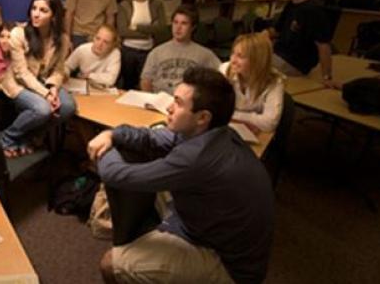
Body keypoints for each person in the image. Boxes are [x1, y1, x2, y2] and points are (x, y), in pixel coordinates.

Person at [88, 67, 275, 284]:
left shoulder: (196, 158)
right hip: (212, 227)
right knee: (139, 152)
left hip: (228, 265)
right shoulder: (214, 132)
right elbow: (152, 138)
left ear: (202, 117)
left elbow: (115, 175)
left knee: (110, 265)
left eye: (178, 103)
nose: (169, 107)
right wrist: (112, 133)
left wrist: (104, 142)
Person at [0, 0, 76, 156]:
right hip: (18, 83)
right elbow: (21, 74)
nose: (36, 14)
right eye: (34, 8)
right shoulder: (18, 34)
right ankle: (7, 138)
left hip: (44, 81)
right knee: (43, 109)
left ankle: (30, 136)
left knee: (68, 107)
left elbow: (58, 69)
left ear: (54, 16)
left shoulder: (62, 39)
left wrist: (54, 88)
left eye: (43, 10)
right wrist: (47, 94)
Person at [268, 0, 334, 86]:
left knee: (248, 65)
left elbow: (323, 46)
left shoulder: (315, 10)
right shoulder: (291, 5)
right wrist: (257, 37)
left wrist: (327, 77)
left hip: (294, 63)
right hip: (278, 55)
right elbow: (276, 30)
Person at [140, 4, 220, 94]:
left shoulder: (205, 54)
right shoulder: (156, 52)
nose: (178, 27)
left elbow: (222, 74)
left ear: (193, 27)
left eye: (184, 23)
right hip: (160, 100)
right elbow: (145, 80)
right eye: (175, 22)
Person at [221, 32, 285, 134]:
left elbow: (269, 123)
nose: (233, 60)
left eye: (240, 56)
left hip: (256, 134)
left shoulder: (274, 82)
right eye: (233, 53)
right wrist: (252, 119)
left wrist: (233, 115)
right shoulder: (224, 70)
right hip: (228, 128)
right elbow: (215, 108)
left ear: (257, 60)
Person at [116, 0, 166, 90]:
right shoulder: (124, 5)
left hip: (147, 51)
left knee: (144, 84)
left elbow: (160, 28)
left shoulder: (157, 5)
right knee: (128, 84)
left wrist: (137, 27)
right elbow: (123, 31)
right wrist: (146, 33)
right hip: (128, 51)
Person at [65, 24, 121, 89]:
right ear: (93, 38)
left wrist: (89, 75)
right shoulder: (82, 50)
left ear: (112, 45)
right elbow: (67, 66)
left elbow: (110, 79)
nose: (100, 44)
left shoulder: (115, 53)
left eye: (105, 42)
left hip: (103, 90)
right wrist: (65, 74)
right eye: (98, 38)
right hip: (83, 87)